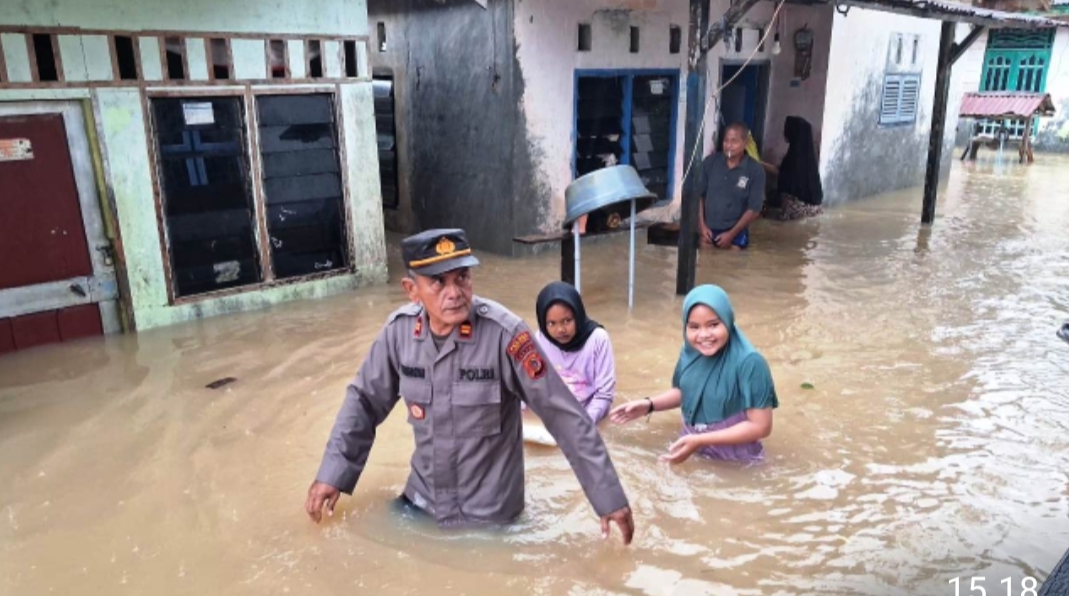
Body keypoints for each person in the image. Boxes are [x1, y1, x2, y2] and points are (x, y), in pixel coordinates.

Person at [305, 229, 634, 543]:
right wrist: (333, 474)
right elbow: (363, 401)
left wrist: (607, 496)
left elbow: (563, 414)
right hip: (421, 503)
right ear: (411, 289)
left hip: (490, 519)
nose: (455, 292)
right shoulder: (399, 334)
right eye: (438, 282)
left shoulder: (507, 335)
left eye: (462, 277)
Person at [609, 284, 778, 464]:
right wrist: (649, 405)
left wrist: (699, 440)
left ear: (728, 320)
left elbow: (761, 427)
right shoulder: (690, 351)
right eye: (694, 327)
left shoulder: (750, 363)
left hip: (735, 461)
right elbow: (685, 391)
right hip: (689, 444)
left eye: (713, 324)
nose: (704, 335)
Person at [532, 282, 616, 424]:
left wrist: (583, 425)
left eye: (567, 321)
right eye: (551, 323)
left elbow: (604, 395)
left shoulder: (598, 339)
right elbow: (532, 386)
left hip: (588, 417)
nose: (560, 330)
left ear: (578, 314)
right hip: (553, 415)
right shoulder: (540, 339)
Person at [698, 124, 765, 251]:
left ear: (745, 143)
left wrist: (731, 234)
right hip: (708, 231)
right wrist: (702, 226)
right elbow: (698, 196)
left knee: (732, 265)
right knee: (704, 265)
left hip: (736, 234)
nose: (728, 145)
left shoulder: (755, 170)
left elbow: (754, 209)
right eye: (726, 140)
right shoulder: (710, 162)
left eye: (734, 141)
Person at [769, 116, 823, 221]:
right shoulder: (809, 157)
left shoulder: (794, 156)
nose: (784, 132)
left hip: (795, 213)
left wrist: (756, 163)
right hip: (814, 211)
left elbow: (780, 172)